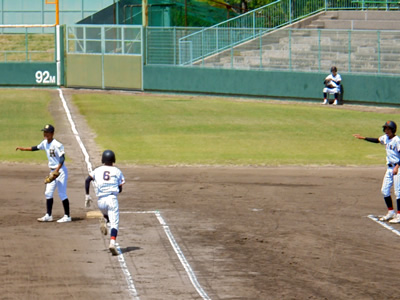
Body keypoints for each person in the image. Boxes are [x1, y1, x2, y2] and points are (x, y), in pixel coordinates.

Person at [16, 124, 71, 223]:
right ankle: (48, 215)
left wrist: (56, 170)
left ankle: (67, 216)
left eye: (47, 132)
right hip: (52, 171)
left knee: (62, 193)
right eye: (44, 132)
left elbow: (62, 159)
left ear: (52, 133)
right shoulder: (45, 143)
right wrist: (23, 149)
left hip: (60, 171)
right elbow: (35, 148)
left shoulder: (57, 144)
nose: (45, 134)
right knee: (48, 193)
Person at [353, 121, 400, 223]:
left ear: (392, 130)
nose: (386, 131)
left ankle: (399, 215)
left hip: (398, 167)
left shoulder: (397, 140)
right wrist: (364, 138)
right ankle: (391, 212)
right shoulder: (385, 138)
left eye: (388, 129)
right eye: (385, 129)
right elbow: (377, 140)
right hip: (389, 168)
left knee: (398, 192)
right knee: (385, 190)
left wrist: (397, 167)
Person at [85, 150, 125, 256]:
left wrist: (87, 195)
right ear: (113, 160)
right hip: (111, 199)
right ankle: (112, 242)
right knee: (115, 223)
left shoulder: (97, 170)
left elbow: (87, 180)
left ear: (103, 159)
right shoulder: (117, 171)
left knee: (106, 213)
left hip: (100, 201)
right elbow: (120, 189)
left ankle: (105, 221)